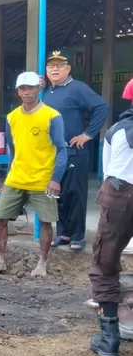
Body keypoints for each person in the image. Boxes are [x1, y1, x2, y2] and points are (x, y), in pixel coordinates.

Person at [0, 72, 67, 278]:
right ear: (17, 92)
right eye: (22, 88)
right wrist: (7, 178)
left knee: (46, 221)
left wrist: (56, 178)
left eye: (31, 88)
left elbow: (62, 149)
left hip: (43, 180)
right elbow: (14, 151)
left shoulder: (52, 116)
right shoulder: (12, 117)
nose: (27, 92)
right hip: (17, 177)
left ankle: (42, 263)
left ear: (39, 89)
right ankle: (0, 261)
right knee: (0, 217)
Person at [43, 50, 109, 252]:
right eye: (51, 66)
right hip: (54, 153)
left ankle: (78, 236)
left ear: (68, 68)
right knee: (57, 195)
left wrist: (88, 134)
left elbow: (102, 107)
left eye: (59, 65)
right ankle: (63, 232)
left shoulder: (77, 88)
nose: (54, 69)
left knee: (75, 194)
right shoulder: (47, 92)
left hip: (74, 152)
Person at [87, 84, 133, 356]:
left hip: (119, 195)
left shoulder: (116, 131)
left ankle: (109, 339)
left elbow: (107, 172)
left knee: (105, 264)